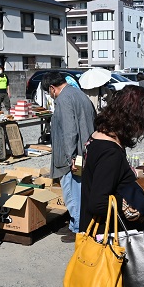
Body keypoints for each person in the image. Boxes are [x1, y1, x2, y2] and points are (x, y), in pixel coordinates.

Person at [66, 85, 144, 287]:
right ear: (133, 118)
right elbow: (97, 202)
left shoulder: (97, 139)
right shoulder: (111, 152)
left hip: (93, 233)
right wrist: (132, 212)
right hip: (108, 238)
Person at [41, 72, 95, 243]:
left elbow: (69, 130)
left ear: (52, 88)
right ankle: (74, 223)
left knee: (72, 189)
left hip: (73, 154)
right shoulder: (78, 93)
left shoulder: (64, 99)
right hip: (84, 149)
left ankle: (78, 227)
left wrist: (70, 155)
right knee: (79, 189)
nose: (50, 96)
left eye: (49, 93)